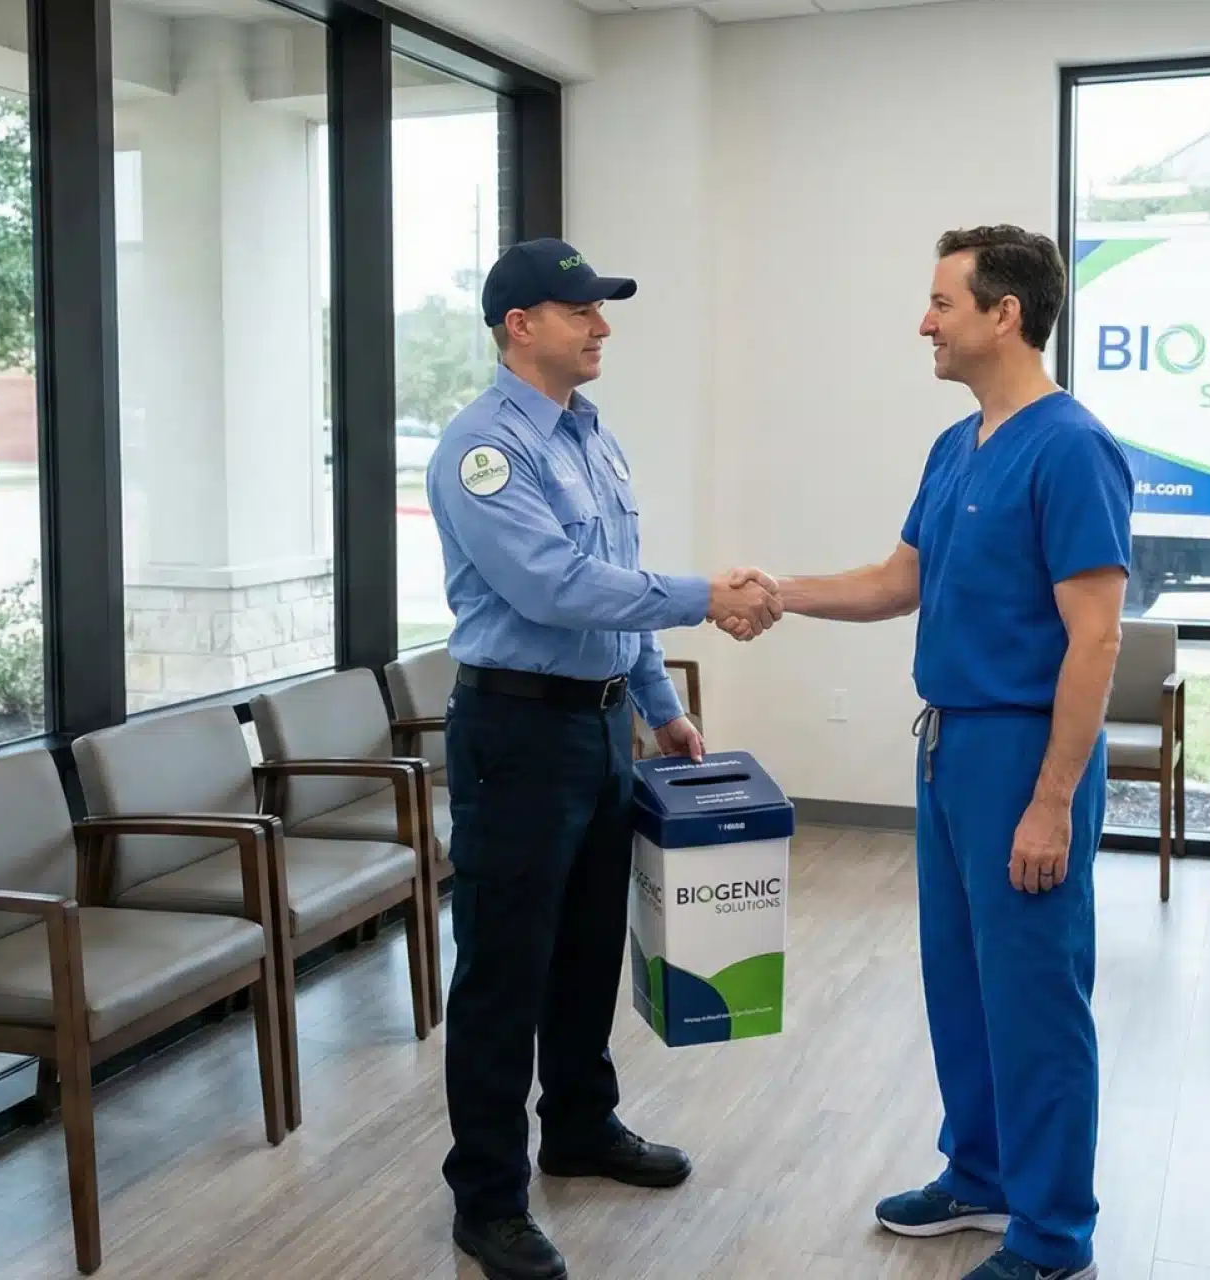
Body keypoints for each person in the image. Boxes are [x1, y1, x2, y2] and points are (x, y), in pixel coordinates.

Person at [738, 225, 1131, 1280]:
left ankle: (1053, 1237)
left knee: (1036, 994)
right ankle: (982, 1171)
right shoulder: (956, 446)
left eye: (942, 302)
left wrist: (1051, 801)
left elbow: (1096, 637)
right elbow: (893, 580)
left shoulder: (1071, 446)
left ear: (1004, 314)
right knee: (959, 977)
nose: (925, 321)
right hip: (949, 746)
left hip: (1024, 753)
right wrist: (780, 590)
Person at [426, 236, 780, 1280]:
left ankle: (580, 1125)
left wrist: (662, 706)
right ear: (519, 326)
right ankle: (487, 1195)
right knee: (503, 970)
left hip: (600, 723)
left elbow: (612, 582)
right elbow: (557, 586)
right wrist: (706, 595)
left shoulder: (591, 437)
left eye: (602, 308)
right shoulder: (484, 449)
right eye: (581, 309)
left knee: (586, 948)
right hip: (515, 736)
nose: (603, 325)